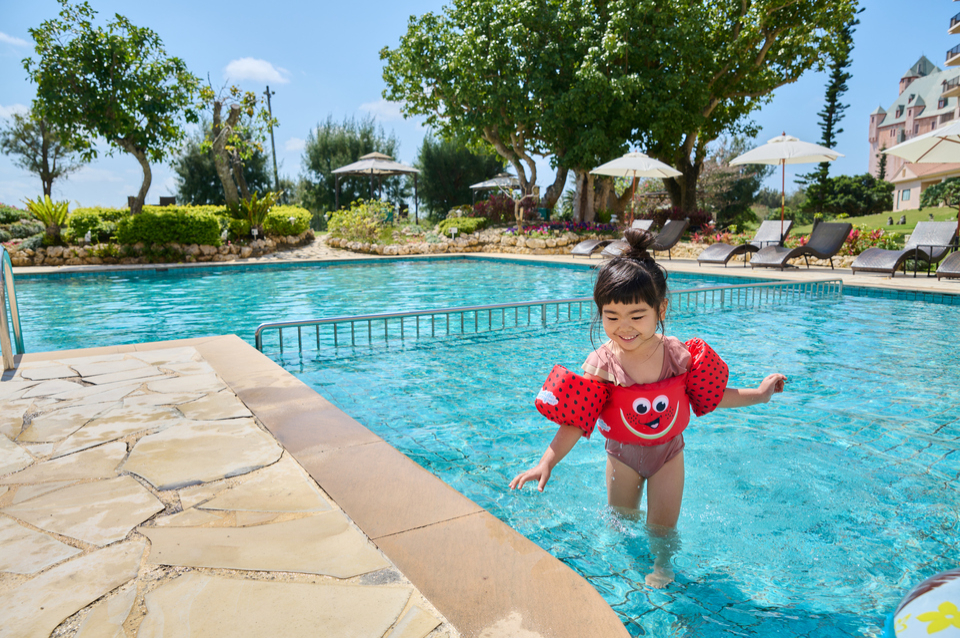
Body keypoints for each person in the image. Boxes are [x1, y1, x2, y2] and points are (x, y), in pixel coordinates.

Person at [509, 227, 786, 588]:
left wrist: (760, 394)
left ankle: (663, 565)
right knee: (620, 523)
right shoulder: (602, 363)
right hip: (621, 457)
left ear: (661, 309)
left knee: (662, 529)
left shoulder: (676, 355)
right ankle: (622, 576)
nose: (624, 327)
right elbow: (577, 419)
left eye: (636, 316)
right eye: (611, 317)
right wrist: (546, 462)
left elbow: (712, 396)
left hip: (668, 455)